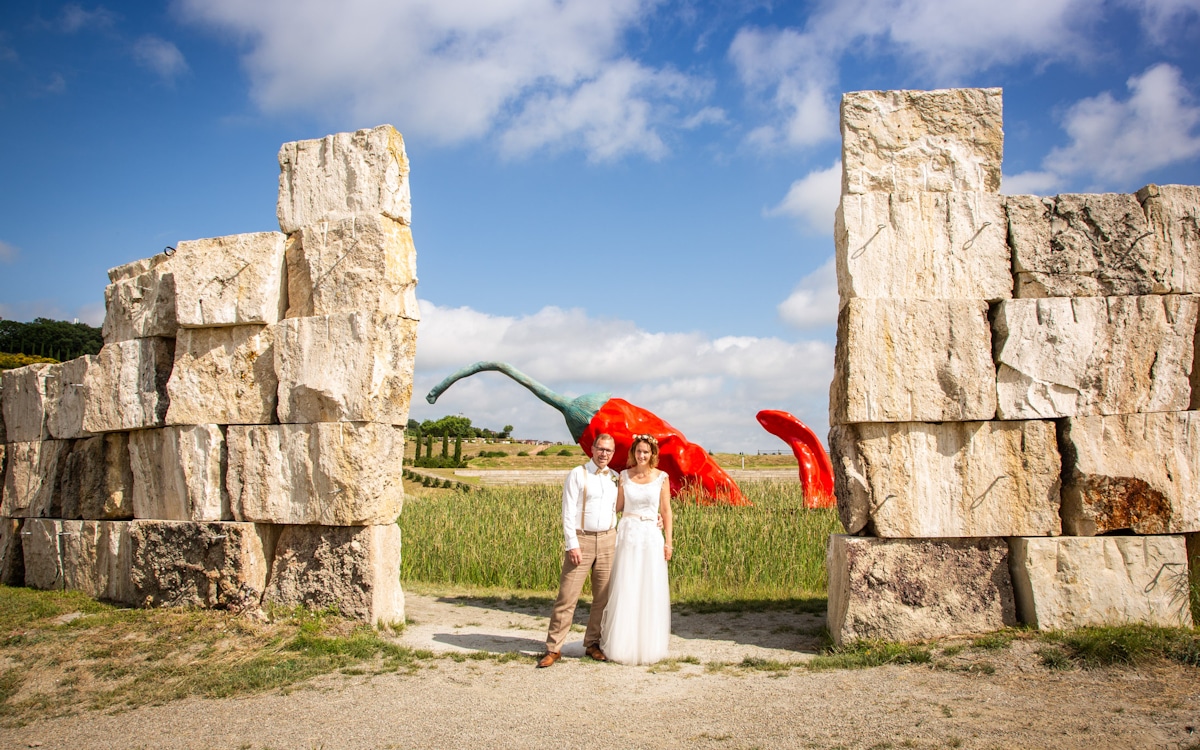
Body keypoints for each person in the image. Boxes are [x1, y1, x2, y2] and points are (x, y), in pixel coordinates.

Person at [537, 433, 619, 668]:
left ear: (613, 454)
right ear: (592, 449)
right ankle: (554, 648)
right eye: (601, 449)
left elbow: (627, 505)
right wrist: (571, 543)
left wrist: (655, 517)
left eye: (609, 451)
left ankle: (592, 643)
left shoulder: (615, 477)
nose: (604, 454)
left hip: (607, 540)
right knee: (567, 596)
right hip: (581, 539)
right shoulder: (578, 474)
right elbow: (568, 511)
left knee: (601, 598)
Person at [600, 433, 673, 665]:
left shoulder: (662, 477)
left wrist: (668, 540)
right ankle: (622, 644)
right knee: (627, 585)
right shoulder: (623, 477)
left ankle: (648, 645)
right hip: (628, 534)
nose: (642, 455)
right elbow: (617, 507)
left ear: (652, 454)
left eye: (646, 452)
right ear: (633, 453)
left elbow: (666, 510)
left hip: (651, 536)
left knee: (649, 587)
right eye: (638, 451)